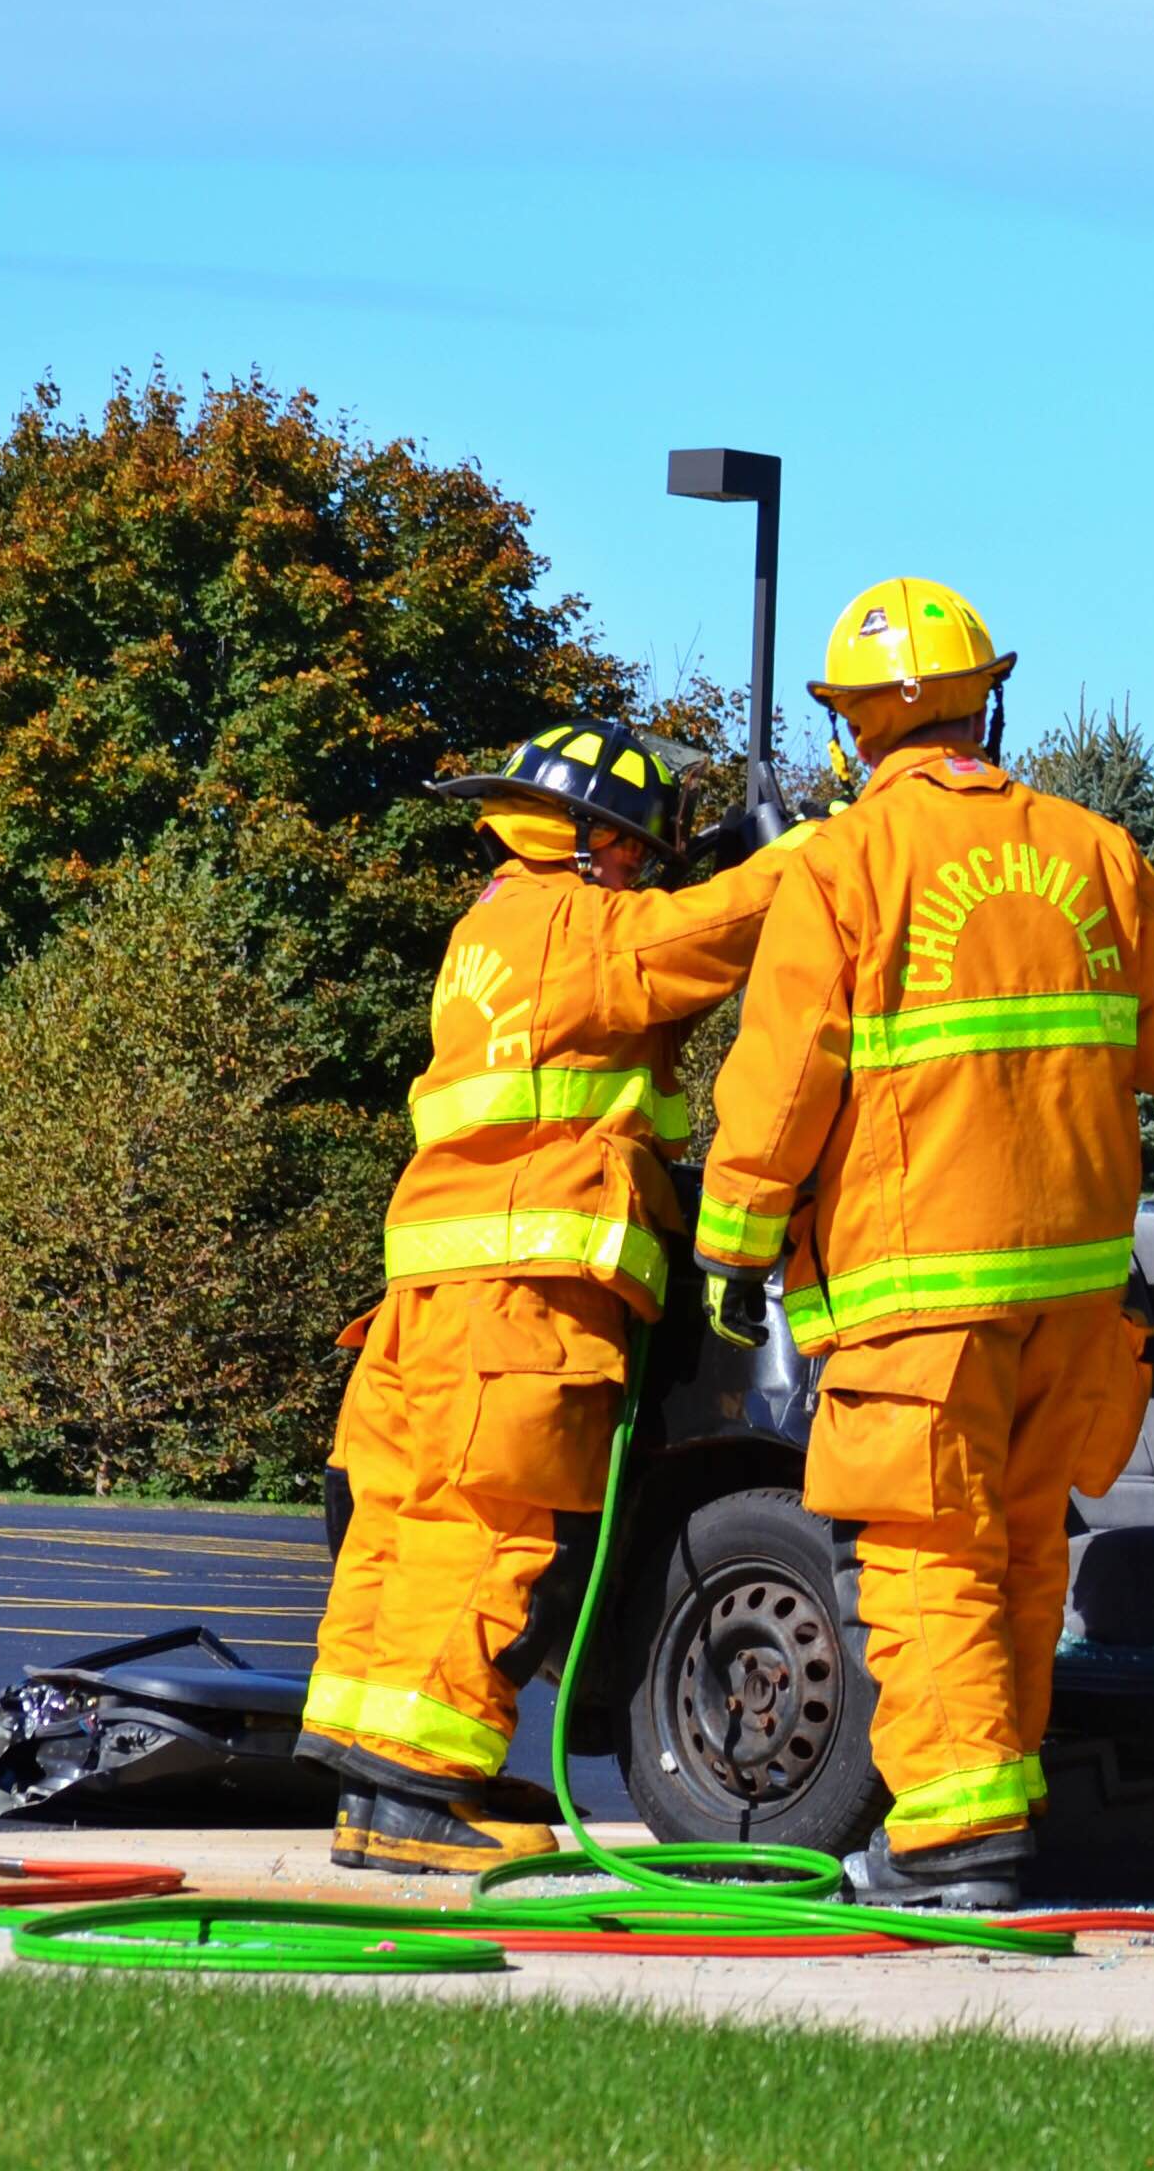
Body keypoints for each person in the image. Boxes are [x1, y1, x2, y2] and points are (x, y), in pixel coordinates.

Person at [692, 576, 1154, 1910]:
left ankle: (951, 1840)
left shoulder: (841, 864)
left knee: (926, 1558)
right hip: (1074, 1299)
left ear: (851, 730)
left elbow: (782, 1080)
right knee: (1023, 1551)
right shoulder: (1098, 853)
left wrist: (733, 1245)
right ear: (988, 703)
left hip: (915, 1294)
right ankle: (998, 1804)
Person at [303, 720, 789, 1873]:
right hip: (522, 1296)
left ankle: (378, 1785)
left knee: (409, 1522)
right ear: (583, 838)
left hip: (438, 1291)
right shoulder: (578, 926)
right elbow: (714, 935)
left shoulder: (495, 926)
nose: (640, 878)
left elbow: (642, 980)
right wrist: (809, 851)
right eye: (633, 854)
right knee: (499, 1530)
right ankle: (422, 1795)